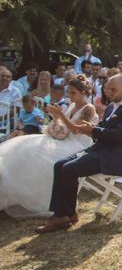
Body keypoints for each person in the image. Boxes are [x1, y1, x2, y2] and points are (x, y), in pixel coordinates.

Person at [34, 74, 122, 233]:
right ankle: (64, 214)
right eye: (108, 89)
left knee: (68, 169)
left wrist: (93, 130)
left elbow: (119, 135)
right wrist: (90, 128)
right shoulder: (112, 107)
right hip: (101, 150)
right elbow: (104, 127)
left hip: (116, 157)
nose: (109, 93)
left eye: (113, 90)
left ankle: (64, 215)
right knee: (59, 165)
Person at [0, 76, 97, 218]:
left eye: (73, 93)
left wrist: (60, 116)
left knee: (38, 154)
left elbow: (77, 130)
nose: (70, 96)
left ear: (83, 92)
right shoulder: (72, 105)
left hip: (78, 145)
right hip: (65, 141)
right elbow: (64, 128)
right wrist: (56, 119)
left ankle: (39, 197)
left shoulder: (88, 108)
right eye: (68, 93)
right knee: (25, 145)